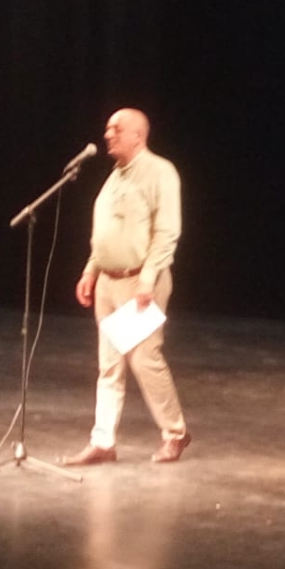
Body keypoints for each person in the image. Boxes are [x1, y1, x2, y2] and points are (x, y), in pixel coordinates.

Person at [62, 108, 191, 466]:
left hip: (140, 281)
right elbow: (105, 233)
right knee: (109, 364)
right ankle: (103, 441)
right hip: (108, 281)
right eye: (107, 129)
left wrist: (147, 279)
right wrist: (90, 270)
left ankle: (175, 432)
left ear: (138, 135)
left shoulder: (160, 172)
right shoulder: (115, 176)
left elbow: (167, 231)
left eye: (116, 129)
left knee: (144, 359)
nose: (108, 134)